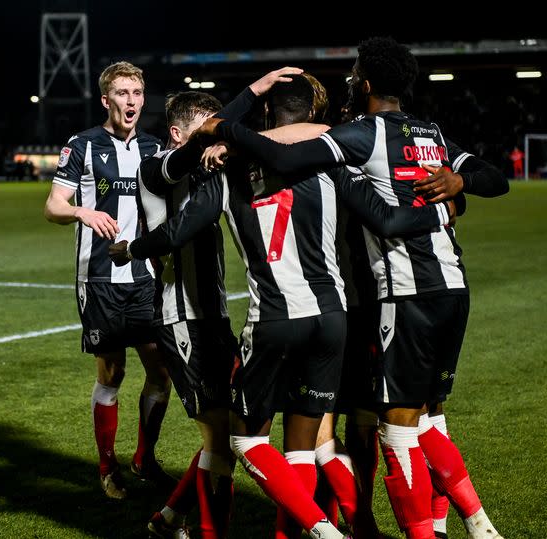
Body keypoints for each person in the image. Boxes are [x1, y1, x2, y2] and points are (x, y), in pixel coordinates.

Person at [112, 72, 454, 539]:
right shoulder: (333, 163)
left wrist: (130, 249)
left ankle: (321, 530)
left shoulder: (228, 169)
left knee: (242, 439)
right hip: (335, 317)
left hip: (271, 319)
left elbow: (180, 230)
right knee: (307, 444)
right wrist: (445, 206)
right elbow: (385, 216)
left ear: (268, 116)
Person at [195, 36, 508, 539]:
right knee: (426, 418)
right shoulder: (429, 133)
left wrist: (227, 129)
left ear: (363, 83)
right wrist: (459, 185)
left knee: (392, 429)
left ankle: (405, 529)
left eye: (355, 71)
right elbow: (496, 178)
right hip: (452, 286)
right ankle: (464, 523)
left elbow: (295, 160)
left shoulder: (361, 137)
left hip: (391, 296)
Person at [136, 68, 305, 539]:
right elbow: (204, 145)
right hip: (181, 319)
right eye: (208, 129)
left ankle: (169, 519)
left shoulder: (213, 171)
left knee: (231, 431)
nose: (217, 140)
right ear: (178, 134)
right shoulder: (157, 168)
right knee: (221, 439)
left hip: (213, 316)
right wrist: (253, 93)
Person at [43, 61, 173, 501]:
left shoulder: (155, 149)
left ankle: (145, 459)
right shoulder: (82, 145)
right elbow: (53, 206)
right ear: (106, 100)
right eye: (122, 93)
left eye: (137, 92)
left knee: (161, 371)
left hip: (146, 277)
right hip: (98, 278)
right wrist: (83, 211)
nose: (132, 100)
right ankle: (107, 467)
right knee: (112, 371)